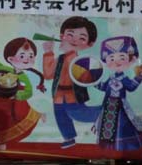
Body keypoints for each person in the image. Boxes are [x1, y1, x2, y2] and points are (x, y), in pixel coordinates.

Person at [42, 16, 100, 148]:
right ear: (62, 36)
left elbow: (86, 77)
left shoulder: (81, 60)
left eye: (82, 38)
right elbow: (48, 74)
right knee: (61, 117)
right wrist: (48, 52)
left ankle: (105, 112)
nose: (74, 40)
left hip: (72, 95)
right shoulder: (60, 58)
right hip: (58, 95)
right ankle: (69, 138)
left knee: (79, 114)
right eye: (70, 34)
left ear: (89, 44)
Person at [0, 38, 45, 150]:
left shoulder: (24, 77)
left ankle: (8, 142)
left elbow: (29, 91)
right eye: (22, 56)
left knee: (17, 117)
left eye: (31, 56)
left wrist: (18, 94)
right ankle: (2, 141)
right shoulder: (6, 70)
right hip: (0, 99)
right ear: (10, 58)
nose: (27, 59)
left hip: (17, 102)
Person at [93, 36, 142, 151]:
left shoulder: (124, 79)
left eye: (122, 57)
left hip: (120, 107)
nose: (116, 62)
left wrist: (140, 76)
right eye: (111, 58)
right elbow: (104, 87)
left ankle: (125, 145)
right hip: (108, 106)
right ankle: (109, 147)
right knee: (106, 127)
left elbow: (131, 87)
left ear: (131, 60)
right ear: (106, 61)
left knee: (123, 125)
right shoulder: (111, 77)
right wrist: (93, 82)